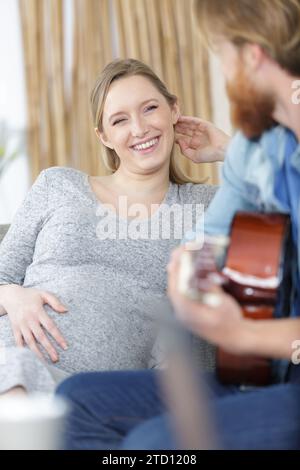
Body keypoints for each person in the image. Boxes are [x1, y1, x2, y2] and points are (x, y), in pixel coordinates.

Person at [57, 0, 300, 450]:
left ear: (251, 58)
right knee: (74, 402)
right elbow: (201, 244)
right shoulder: (256, 147)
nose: (224, 73)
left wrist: (242, 333)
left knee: (156, 442)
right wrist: (189, 282)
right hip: (256, 379)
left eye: (221, 56)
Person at [0, 58, 227, 399]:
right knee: (15, 370)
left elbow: (289, 201)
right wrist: (11, 296)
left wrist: (229, 149)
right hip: (10, 358)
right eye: (119, 120)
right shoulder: (57, 185)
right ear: (103, 136)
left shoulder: (208, 208)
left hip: (95, 397)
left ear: (174, 110)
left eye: (149, 108)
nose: (139, 129)